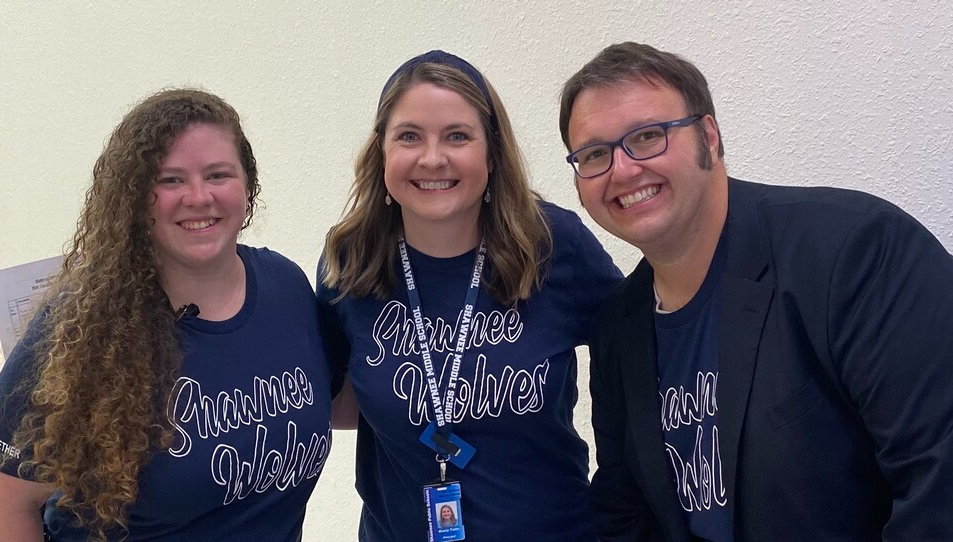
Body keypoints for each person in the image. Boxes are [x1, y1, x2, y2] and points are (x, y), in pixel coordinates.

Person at [559, 41, 953, 541]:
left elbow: (939, 482)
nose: (623, 169)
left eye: (647, 136)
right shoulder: (618, 325)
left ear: (709, 136)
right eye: (595, 154)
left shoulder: (856, 252)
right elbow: (624, 511)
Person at [0, 89, 334, 541]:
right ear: (136, 199)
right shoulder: (82, 327)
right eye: (170, 180)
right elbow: (10, 502)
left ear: (248, 185)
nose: (198, 197)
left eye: (217, 174)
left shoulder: (287, 288)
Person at [317, 50, 621, 541]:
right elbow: (334, 398)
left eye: (457, 136)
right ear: (382, 153)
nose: (432, 158)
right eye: (409, 136)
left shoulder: (553, 245)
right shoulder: (351, 261)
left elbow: (638, 362)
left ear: (492, 153)